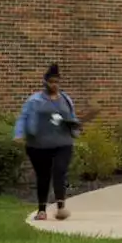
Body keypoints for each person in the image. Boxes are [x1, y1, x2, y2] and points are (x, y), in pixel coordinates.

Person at [13, 63, 80, 221]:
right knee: (43, 176)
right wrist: (19, 133)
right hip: (38, 145)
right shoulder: (34, 101)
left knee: (60, 171)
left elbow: (72, 116)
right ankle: (41, 210)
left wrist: (75, 126)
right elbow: (23, 117)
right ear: (45, 83)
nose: (54, 85)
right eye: (51, 82)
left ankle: (61, 207)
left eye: (57, 82)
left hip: (63, 143)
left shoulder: (66, 99)